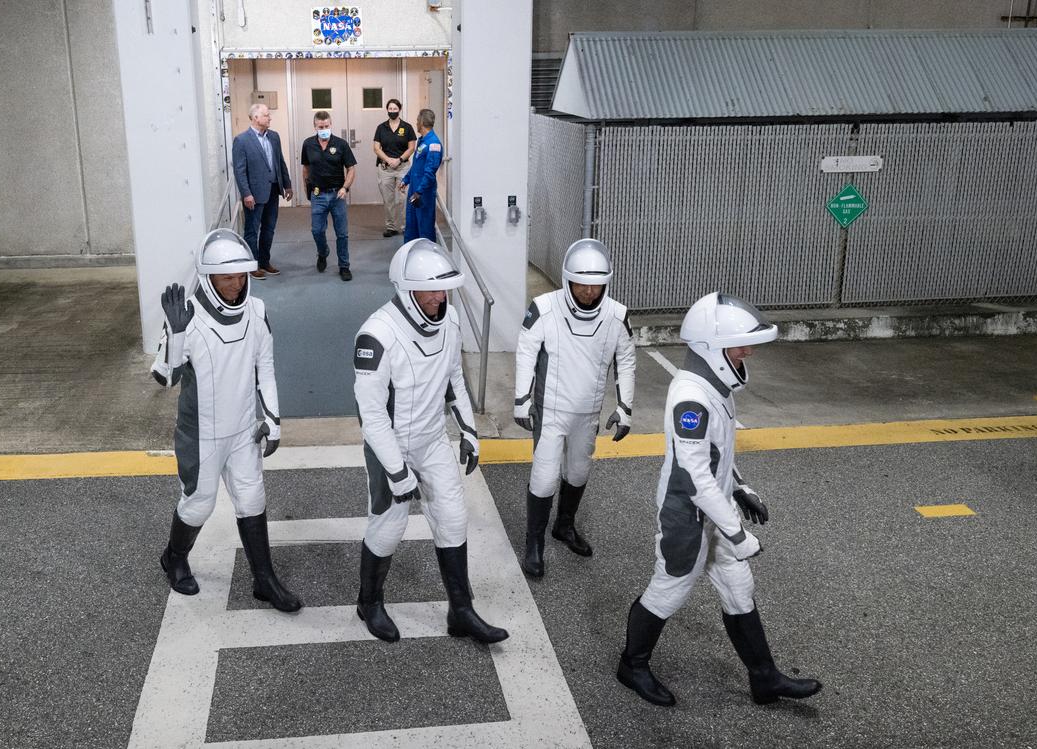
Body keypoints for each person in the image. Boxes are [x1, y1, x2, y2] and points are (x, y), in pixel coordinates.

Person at [616, 292, 821, 707]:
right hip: (685, 515)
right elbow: (694, 477)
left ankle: (764, 679)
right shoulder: (691, 397)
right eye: (738, 344)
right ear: (711, 347)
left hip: (715, 510)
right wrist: (736, 531)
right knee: (669, 590)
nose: (747, 351)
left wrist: (740, 486)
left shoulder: (717, 384)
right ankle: (631, 666)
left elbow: (717, 454)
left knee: (738, 589)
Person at [352, 238, 507, 645]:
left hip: (432, 437)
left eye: (444, 289)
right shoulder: (376, 335)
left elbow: (453, 376)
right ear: (406, 289)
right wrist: (397, 472)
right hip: (390, 447)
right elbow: (370, 417)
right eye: (431, 290)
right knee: (388, 526)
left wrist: (469, 430)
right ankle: (368, 602)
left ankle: (461, 611)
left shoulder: (450, 321)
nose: (440, 297)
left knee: (454, 519)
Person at [150, 229, 301, 612]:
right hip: (201, 434)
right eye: (226, 277)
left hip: (243, 431)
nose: (236, 285)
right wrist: (177, 334)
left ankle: (264, 580)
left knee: (253, 500)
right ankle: (174, 557)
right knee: (199, 503)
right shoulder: (188, 317)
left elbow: (264, 366)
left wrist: (272, 418)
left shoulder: (257, 311)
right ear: (209, 277)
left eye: (241, 276)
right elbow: (166, 378)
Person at [513, 239, 635, 577]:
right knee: (544, 476)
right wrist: (521, 399)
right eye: (583, 284)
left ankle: (563, 526)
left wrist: (625, 407)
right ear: (568, 279)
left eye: (597, 285)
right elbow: (525, 351)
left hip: (589, 412)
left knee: (579, 472)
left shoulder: (616, 315)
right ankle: (533, 543)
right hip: (551, 411)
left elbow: (625, 360)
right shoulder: (543, 308)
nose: (589, 292)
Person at [232, 103, 293, 280]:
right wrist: (246, 193)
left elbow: (280, 162)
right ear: (256, 117)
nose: (269, 118)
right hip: (254, 194)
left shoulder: (274, 137)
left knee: (269, 229)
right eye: (266, 115)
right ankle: (252, 265)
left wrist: (287, 184)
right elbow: (240, 170)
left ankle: (265, 261)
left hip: (274, 190)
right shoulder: (242, 140)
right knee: (252, 230)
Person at [300, 110, 357, 282]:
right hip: (318, 194)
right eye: (320, 127)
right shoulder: (308, 144)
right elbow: (306, 169)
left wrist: (345, 188)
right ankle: (323, 252)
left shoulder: (341, 144)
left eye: (326, 126)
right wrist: (307, 191)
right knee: (317, 230)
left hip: (337, 195)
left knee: (342, 233)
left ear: (330, 125)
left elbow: (351, 169)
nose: (324, 129)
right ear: (315, 126)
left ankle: (344, 266)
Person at [372, 99, 416, 238]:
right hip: (385, 169)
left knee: (404, 199)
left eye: (394, 109)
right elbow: (376, 148)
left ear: (399, 109)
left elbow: (411, 147)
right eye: (390, 109)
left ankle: (405, 227)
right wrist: (389, 160)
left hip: (403, 168)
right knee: (388, 199)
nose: (392, 111)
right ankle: (390, 227)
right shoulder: (381, 127)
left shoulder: (407, 127)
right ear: (387, 110)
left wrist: (399, 160)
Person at [399, 108, 442, 242]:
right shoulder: (422, 141)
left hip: (423, 194)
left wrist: (419, 191)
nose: (416, 123)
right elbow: (416, 165)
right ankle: (412, 257)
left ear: (422, 122)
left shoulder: (433, 143)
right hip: (414, 191)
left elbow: (430, 172)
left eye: (418, 121)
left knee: (425, 229)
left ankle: (428, 259)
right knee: (411, 227)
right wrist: (406, 179)